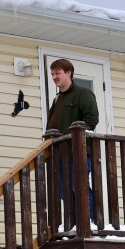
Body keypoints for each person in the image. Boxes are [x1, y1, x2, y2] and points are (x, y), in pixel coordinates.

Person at [46, 58, 99, 219]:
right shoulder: (57, 99)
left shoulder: (83, 93)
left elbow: (92, 120)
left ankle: (87, 223)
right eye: (52, 74)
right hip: (60, 154)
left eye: (58, 73)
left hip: (78, 152)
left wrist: (74, 135)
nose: (54, 77)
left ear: (68, 73)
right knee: (65, 192)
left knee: (79, 188)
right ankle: (75, 225)